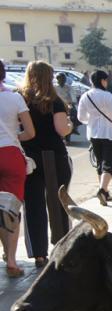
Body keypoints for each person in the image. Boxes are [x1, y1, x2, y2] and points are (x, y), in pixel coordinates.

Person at [19, 61, 73, 268]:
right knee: (59, 203)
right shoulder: (54, 101)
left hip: (29, 158)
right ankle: (61, 246)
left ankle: (39, 254)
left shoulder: (21, 99)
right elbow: (61, 130)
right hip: (55, 156)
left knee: (33, 206)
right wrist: (70, 125)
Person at [0, 60, 36, 277]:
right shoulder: (14, 98)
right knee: (10, 210)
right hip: (11, 154)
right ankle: (12, 261)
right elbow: (30, 132)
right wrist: (14, 137)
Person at [77, 70, 112, 206]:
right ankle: (103, 190)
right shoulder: (106, 96)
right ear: (102, 81)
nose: (107, 83)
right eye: (106, 80)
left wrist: (91, 120)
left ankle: (105, 191)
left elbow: (81, 117)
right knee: (109, 163)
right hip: (109, 133)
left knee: (100, 162)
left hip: (93, 133)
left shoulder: (85, 96)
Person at [55, 73, 76, 143]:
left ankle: (74, 128)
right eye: (60, 79)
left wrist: (72, 102)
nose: (62, 80)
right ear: (57, 79)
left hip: (67, 106)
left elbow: (73, 97)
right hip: (56, 106)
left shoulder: (69, 87)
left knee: (74, 116)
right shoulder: (54, 87)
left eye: (64, 79)